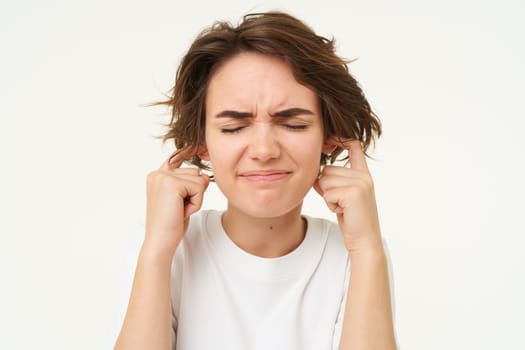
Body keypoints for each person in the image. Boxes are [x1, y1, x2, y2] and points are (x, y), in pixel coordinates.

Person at [114, 11, 396, 350]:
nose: (264, 150)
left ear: (329, 137)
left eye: (294, 124)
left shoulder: (356, 254)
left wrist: (367, 250)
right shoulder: (167, 248)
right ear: (201, 144)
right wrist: (157, 249)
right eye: (233, 127)